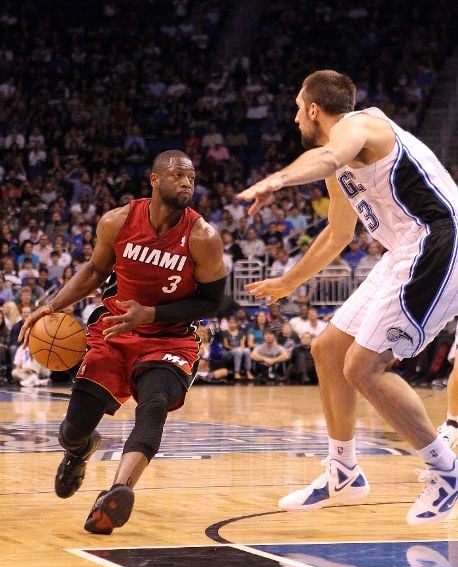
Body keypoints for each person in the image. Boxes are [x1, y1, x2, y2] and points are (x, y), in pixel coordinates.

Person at [238, 69, 458, 526]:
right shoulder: (339, 162)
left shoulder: (360, 126)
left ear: (314, 109)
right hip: (406, 249)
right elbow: (338, 233)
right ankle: (344, 470)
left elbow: (331, 153)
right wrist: (289, 281)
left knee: (363, 365)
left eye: (298, 107)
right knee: (328, 348)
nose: (295, 115)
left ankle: (446, 471)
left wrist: (277, 180)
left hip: (440, 242)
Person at [20, 150, 226, 534]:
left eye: (192, 178)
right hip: (114, 332)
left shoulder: (203, 236)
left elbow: (214, 301)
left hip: (170, 337)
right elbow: (95, 271)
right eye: (179, 175)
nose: (187, 183)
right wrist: (50, 307)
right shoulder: (117, 221)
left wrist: (152, 315)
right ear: (154, 179)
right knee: (72, 431)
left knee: (155, 405)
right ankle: (80, 450)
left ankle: (116, 492)